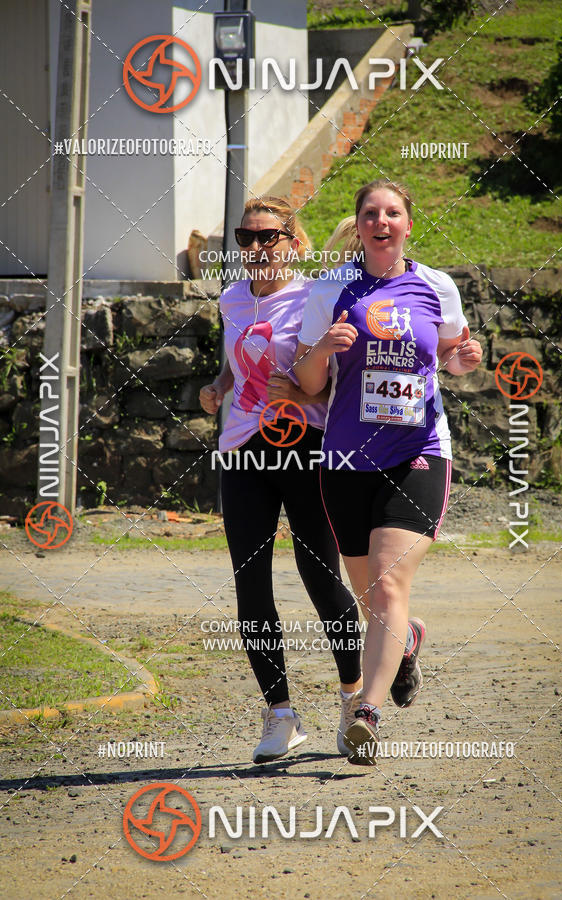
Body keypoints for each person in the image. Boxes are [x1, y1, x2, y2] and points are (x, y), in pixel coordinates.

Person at [294, 180, 482, 765]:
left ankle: (366, 712)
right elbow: (307, 384)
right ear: (358, 225)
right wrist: (323, 347)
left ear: (406, 223)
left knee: (387, 582)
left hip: (418, 451)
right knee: (371, 595)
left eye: (393, 213)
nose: (382, 221)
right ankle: (404, 645)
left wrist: (463, 362)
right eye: (371, 213)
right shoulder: (330, 290)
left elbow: (452, 356)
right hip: (346, 457)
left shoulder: (436, 286)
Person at [199, 196, 363, 764]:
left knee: (320, 575)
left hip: (306, 446)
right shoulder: (231, 299)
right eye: (247, 239)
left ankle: (353, 701)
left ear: (294, 241)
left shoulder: (317, 297)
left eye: (269, 237)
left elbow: (334, 381)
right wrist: (219, 387)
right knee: (251, 582)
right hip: (243, 450)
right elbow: (235, 358)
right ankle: (280, 715)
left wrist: (301, 392)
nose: (257, 249)